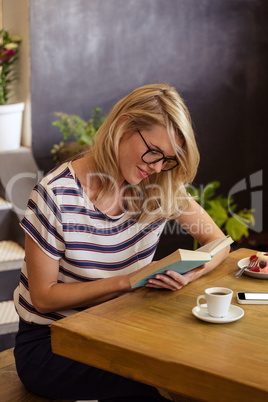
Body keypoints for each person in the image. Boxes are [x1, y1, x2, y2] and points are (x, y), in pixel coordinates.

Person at [14, 83, 229, 401]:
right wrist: (128, 281)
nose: (156, 166)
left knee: (208, 361)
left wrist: (191, 272)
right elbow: (43, 298)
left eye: (168, 159)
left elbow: (219, 242)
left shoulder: (159, 184)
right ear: (122, 125)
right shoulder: (56, 195)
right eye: (153, 151)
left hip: (122, 328)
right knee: (163, 382)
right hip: (52, 341)